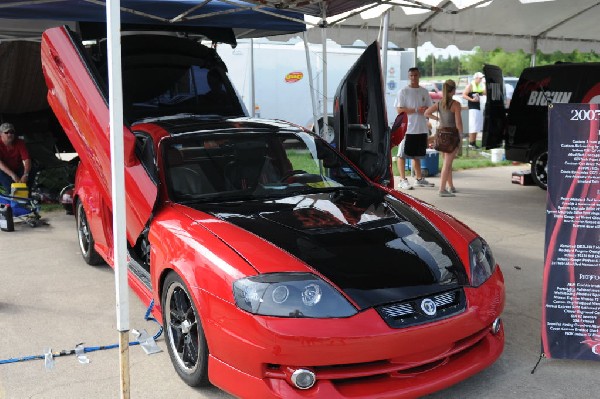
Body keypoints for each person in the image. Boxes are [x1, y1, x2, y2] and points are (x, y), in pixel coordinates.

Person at [394, 67, 434, 190]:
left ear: (419, 76)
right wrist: (416, 110)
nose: (413, 78)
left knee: (417, 154)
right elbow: (399, 110)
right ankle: (402, 179)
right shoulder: (403, 91)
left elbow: (429, 108)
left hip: (421, 128)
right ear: (408, 76)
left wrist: (428, 115)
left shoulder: (424, 91)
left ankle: (419, 178)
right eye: (411, 76)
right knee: (402, 155)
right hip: (408, 129)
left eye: (415, 75)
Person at [425, 80, 463, 197]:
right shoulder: (455, 104)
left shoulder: (439, 103)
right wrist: (461, 136)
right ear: (453, 90)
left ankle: (450, 186)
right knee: (447, 163)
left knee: (447, 162)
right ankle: (442, 189)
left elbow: (426, 113)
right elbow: (458, 123)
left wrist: (437, 119)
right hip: (452, 136)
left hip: (441, 135)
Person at [0, 122, 31, 194]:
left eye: (12, 132)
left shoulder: (20, 142)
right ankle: (11, 200)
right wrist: (12, 175)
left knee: (31, 169)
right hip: (3, 170)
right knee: (10, 187)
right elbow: (0, 164)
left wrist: (26, 174)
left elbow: (27, 159)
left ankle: (27, 195)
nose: (9, 134)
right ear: (1, 134)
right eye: (6, 132)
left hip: (17, 167)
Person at [462, 72, 486, 149]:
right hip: (472, 108)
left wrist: (485, 84)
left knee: (477, 126)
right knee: (473, 126)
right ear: (475, 78)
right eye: (480, 78)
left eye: (481, 78)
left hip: (478, 108)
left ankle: (473, 143)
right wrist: (471, 100)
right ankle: (471, 143)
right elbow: (464, 95)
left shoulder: (479, 86)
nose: (481, 80)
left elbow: (485, 93)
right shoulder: (470, 85)